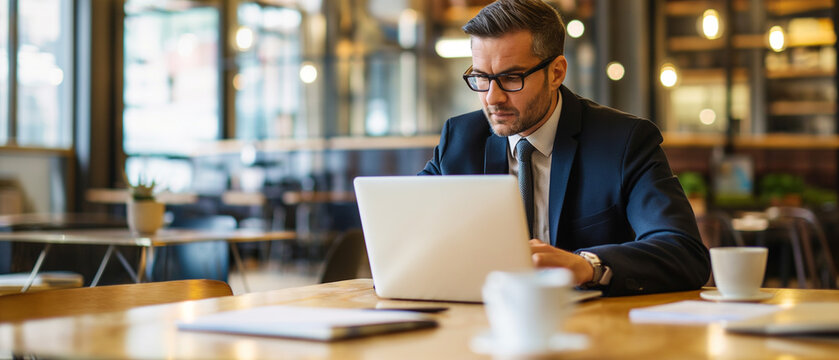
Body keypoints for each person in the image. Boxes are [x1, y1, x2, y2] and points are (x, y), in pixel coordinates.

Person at [419, 0, 710, 296]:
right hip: (480, 324)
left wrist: (588, 265)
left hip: (593, 329)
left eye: (510, 78)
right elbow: (408, 229)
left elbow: (683, 252)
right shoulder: (460, 139)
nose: (492, 98)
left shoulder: (623, 142)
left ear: (556, 73)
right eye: (481, 77)